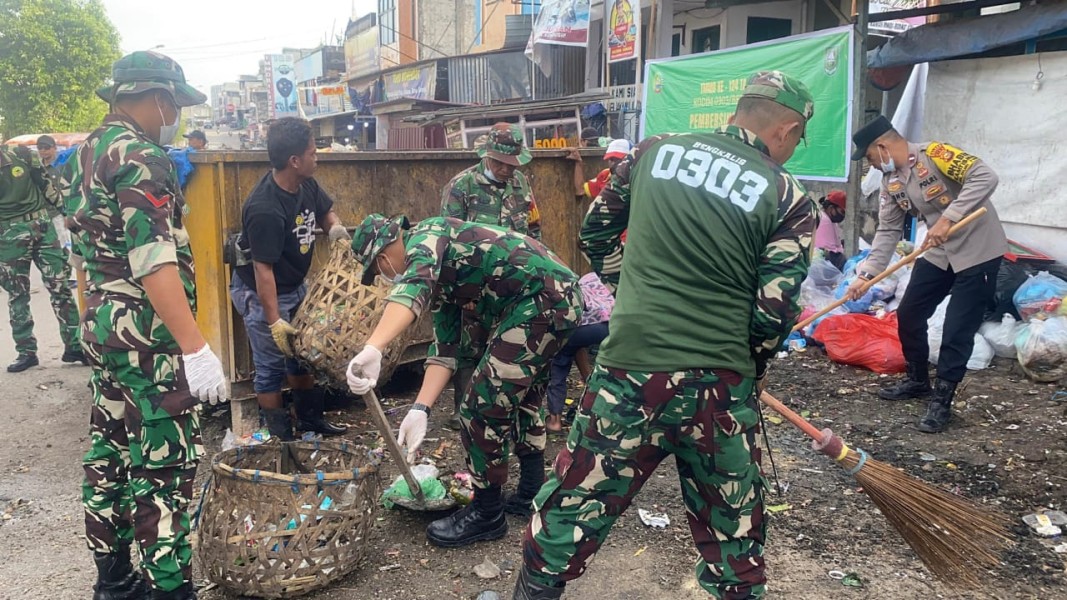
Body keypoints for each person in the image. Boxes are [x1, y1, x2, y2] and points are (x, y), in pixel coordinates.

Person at [516, 71, 817, 600]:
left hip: (628, 373)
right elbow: (775, 310)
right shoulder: (787, 195)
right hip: (720, 388)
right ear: (787, 130)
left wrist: (629, 291)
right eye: (797, 141)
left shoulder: (653, 151)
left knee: (571, 510)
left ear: (738, 111)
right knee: (733, 536)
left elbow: (596, 232)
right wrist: (751, 365)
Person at [67, 50, 229, 600]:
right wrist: (196, 348)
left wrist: (94, 316)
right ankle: (169, 590)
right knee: (164, 466)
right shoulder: (142, 156)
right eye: (175, 104)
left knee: (109, 452)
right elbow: (154, 260)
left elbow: (84, 257)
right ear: (159, 98)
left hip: (104, 329)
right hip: (146, 339)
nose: (175, 115)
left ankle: (114, 581)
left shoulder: (87, 151)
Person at [345, 213, 582, 547]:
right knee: (520, 398)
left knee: (481, 407)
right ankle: (530, 490)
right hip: (551, 299)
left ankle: (487, 514)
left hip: (542, 301)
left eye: (378, 270)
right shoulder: (443, 277)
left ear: (382, 257)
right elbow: (446, 350)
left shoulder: (427, 237)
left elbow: (413, 287)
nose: (386, 276)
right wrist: (420, 409)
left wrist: (374, 347)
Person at [845, 116, 1007, 433]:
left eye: (870, 157)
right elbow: (888, 230)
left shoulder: (936, 154)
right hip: (939, 250)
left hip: (978, 249)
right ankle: (918, 380)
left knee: (958, 328)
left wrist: (949, 218)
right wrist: (866, 276)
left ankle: (942, 400)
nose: (872, 165)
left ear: (882, 146)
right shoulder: (890, 181)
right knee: (909, 312)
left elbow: (986, 176)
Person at [230, 116, 349, 440]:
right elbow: (263, 270)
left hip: (295, 286)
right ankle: (281, 439)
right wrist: (274, 321)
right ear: (294, 160)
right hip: (262, 292)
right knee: (270, 367)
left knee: (304, 357)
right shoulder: (265, 208)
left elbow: (325, 211)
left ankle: (310, 421)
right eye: (312, 152)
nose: (317, 157)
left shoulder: (305, 183)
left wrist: (335, 230)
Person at [439, 122, 542, 430]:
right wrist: (462, 291)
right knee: (470, 347)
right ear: (487, 156)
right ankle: (464, 410)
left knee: (509, 344)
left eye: (512, 164)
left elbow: (533, 229)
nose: (507, 169)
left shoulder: (520, 183)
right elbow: (449, 240)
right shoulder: (462, 186)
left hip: (513, 282)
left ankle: (499, 408)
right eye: (501, 163)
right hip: (475, 284)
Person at [0, 139, 83, 372]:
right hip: (8, 233)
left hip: (42, 227)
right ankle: (26, 352)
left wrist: (68, 213)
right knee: (17, 294)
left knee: (60, 286)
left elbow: (46, 185)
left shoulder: (22, 154)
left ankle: (75, 346)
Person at [544, 272, 613, 432]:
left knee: (559, 362)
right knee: (576, 347)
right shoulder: (602, 279)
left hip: (581, 326)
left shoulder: (560, 285)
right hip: (613, 324)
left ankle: (554, 421)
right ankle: (595, 394)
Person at [815, 189, 847, 271]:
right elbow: (830, 249)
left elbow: (837, 245)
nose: (843, 216)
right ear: (831, 208)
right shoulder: (824, 220)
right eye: (842, 212)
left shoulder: (832, 221)